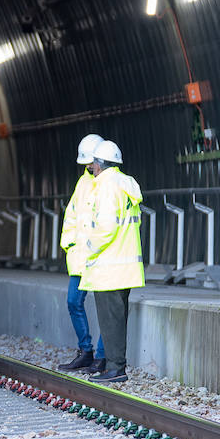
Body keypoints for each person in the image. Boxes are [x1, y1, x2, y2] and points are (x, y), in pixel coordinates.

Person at [79, 140, 143, 384]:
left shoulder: (106, 187)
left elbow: (106, 227)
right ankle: (116, 366)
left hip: (108, 266)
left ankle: (116, 368)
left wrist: (89, 249)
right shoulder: (124, 184)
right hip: (123, 266)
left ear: (100, 163)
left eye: (94, 162)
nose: (92, 166)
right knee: (117, 319)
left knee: (110, 321)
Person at [59, 134, 106, 372]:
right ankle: (86, 351)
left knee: (106, 308)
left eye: (91, 162)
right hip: (80, 258)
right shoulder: (83, 182)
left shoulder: (109, 183)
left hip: (100, 256)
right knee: (73, 302)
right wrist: (68, 243)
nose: (88, 167)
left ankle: (101, 356)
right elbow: (72, 215)